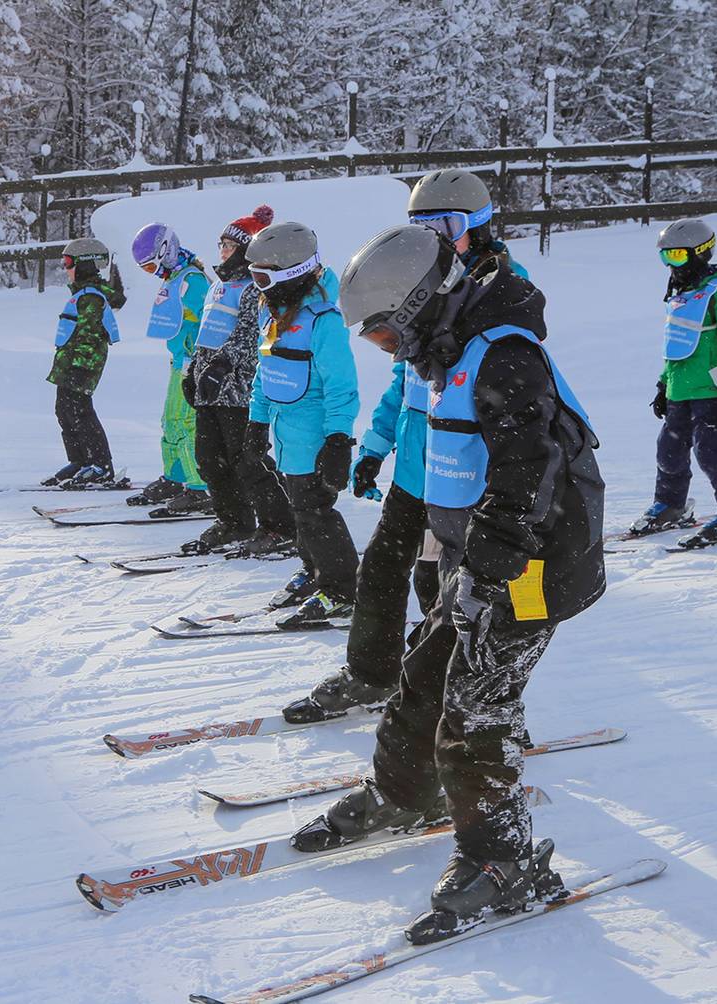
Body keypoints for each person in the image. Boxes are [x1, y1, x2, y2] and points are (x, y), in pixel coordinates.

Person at [296, 223, 607, 944]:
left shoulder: (503, 356)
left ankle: (505, 860)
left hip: (534, 565)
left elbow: (528, 472)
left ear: (418, 306)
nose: (384, 352)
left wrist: (490, 570)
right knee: (424, 670)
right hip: (484, 558)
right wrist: (459, 563)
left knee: (478, 702)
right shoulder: (453, 351)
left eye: (382, 336)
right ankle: (405, 794)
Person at [287, 169, 529, 723]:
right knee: (382, 569)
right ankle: (371, 675)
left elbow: (511, 399)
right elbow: (404, 383)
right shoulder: (413, 290)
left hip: (468, 476)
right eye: (422, 225)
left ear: (482, 226)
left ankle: (472, 705)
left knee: (454, 595)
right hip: (418, 470)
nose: (437, 237)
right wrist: (374, 447)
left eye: (448, 224)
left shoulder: (496, 296)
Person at [244, 222, 362, 624]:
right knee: (299, 508)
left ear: (291, 272)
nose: (256, 285)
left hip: (314, 435)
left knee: (316, 511)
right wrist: (257, 422)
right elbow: (266, 371)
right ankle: (314, 570)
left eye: (262, 276)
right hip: (286, 434)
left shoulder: (324, 321)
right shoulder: (274, 313)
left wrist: (338, 440)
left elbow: (342, 388)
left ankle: (343, 588)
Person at [633, 218, 717, 547]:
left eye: (676, 257)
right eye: (665, 258)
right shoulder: (683, 294)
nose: (670, 266)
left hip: (713, 391)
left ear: (700, 253)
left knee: (712, 453)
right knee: (669, 452)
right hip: (681, 390)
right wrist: (664, 385)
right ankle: (671, 505)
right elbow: (676, 345)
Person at [181, 206, 297, 555]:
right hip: (209, 390)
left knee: (249, 460)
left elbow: (251, 339)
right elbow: (208, 334)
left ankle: (280, 526)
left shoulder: (253, 289)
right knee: (208, 458)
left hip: (238, 392)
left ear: (246, 251)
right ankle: (234, 520)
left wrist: (222, 367)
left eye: (229, 246)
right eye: (221, 245)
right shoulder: (220, 287)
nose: (222, 251)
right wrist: (194, 371)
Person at [128, 224, 213, 515]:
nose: (150, 271)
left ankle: (199, 486)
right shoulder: (174, 278)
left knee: (187, 422)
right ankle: (176, 477)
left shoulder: (193, 280)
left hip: (192, 363)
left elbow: (207, 321)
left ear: (165, 251)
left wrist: (198, 357)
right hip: (178, 361)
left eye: (151, 264)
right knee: (171, 421)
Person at [46, 237, 126, 488]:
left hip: (81, 367)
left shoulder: (91, 297)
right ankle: (80, 461)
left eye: (69, 263)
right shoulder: (82, 294)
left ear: (85, 265)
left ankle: (101, 465)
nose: (66, 269)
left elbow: (89, 337)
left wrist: (79, 369)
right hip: (69, 365)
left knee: (80, 412)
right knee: (65, 410)